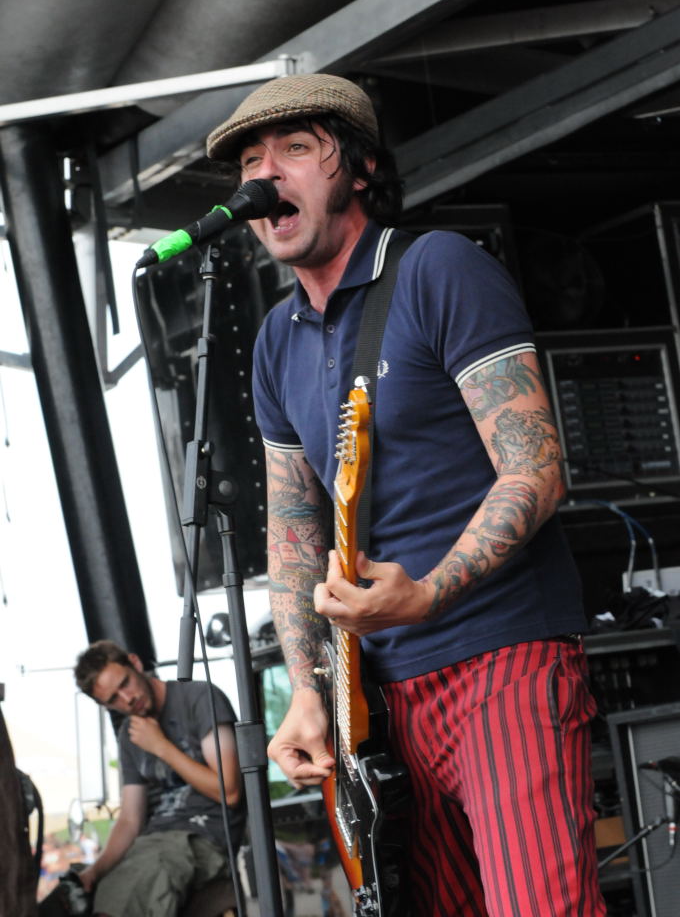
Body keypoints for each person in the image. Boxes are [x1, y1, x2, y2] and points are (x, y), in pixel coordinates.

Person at [206, 73, 606, 916]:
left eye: (295, 149)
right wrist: (309, 692)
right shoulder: (275, 341)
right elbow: (293, 533)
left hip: (501, 656)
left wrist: (428, 593)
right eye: (250, 161)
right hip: (376, 703)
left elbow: (535, 468)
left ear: (360, 168)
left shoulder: (437, 269)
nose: (265, 175)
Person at [72, 640, 244, 917]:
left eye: (125, 683)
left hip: (202, 837)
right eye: (113, 699)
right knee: (85, 894)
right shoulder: (129, 736)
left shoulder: (199, 698)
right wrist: (96, 870)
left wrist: (161, 747)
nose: (127, 699)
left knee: (130, 893)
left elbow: (230, 792)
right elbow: (130, 820)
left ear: (136, 663)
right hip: (153, 841)